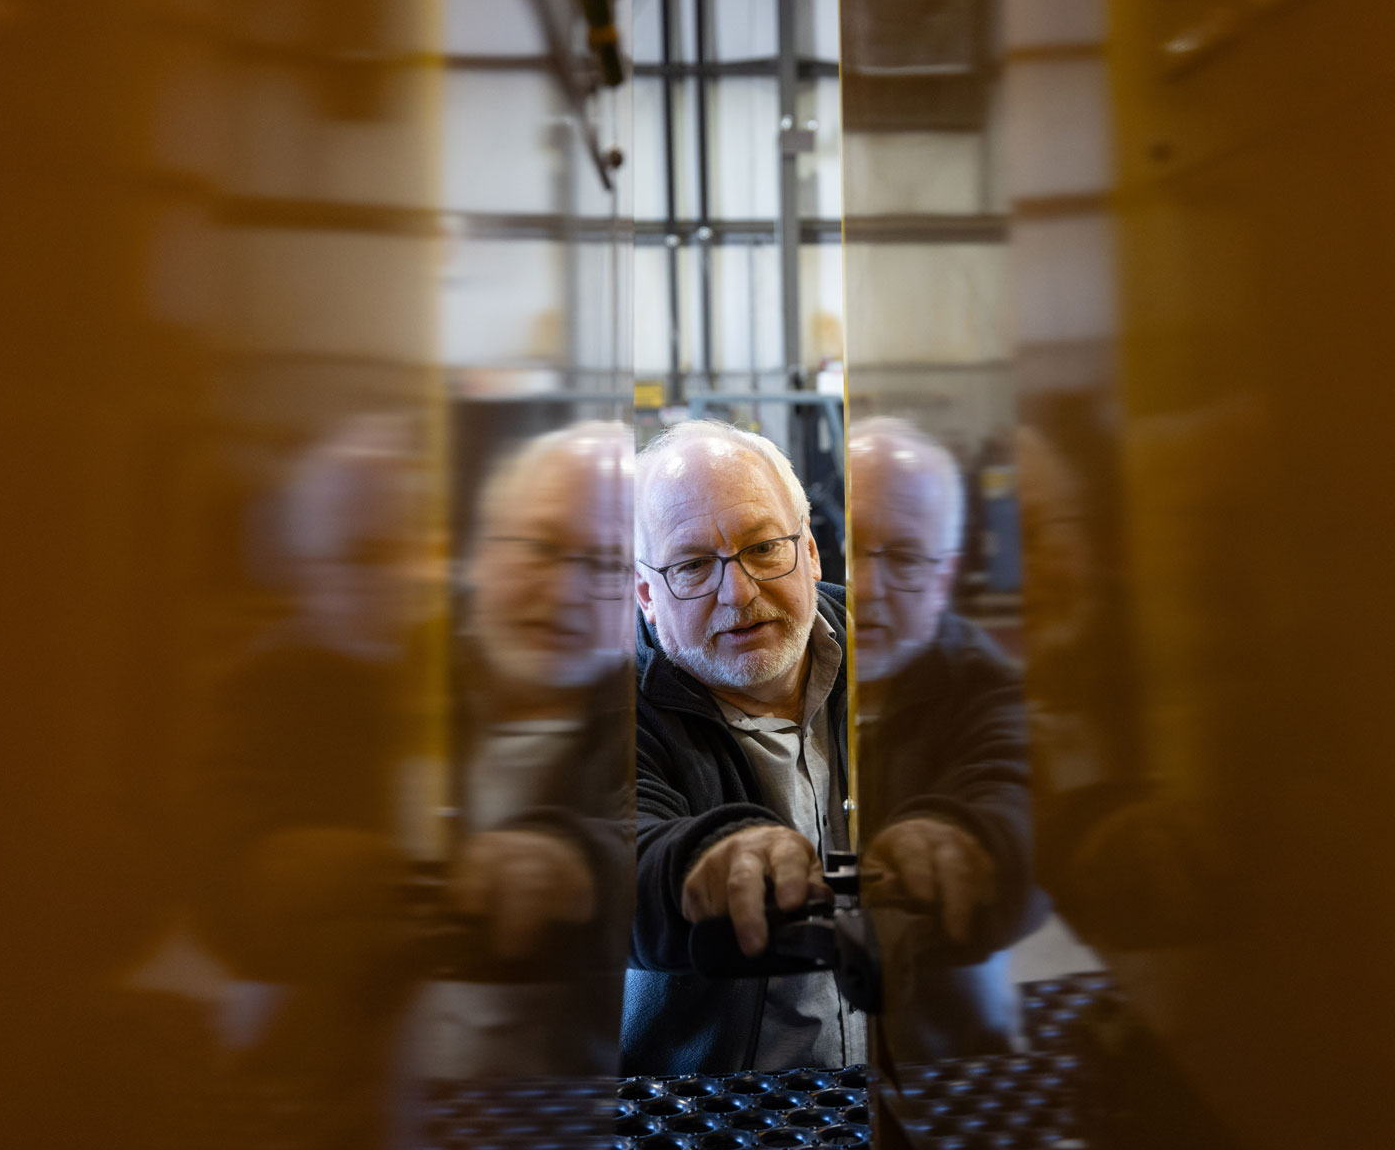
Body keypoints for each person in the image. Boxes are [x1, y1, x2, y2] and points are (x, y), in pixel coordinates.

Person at [619, 416, 1035, 1074]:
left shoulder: (927, 655)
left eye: (763, 548)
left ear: (811, 553)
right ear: (645, 593)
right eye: (693, 565)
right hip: (716, 1107)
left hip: (929, 1081)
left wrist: (974, 836)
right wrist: (699, 863)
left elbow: (1019, 773)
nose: (739, 592)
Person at [420, 421, 637, 1078]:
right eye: (542, 547)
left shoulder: (663, 713)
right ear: (479, 552)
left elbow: (667, 844)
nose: (565, 593)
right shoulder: (387, 690)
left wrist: (576, 867)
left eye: (606, 565)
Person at [846, 416, 1044, 1060]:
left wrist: (967, 841)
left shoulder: (985, 685)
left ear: (946, 577)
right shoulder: (753, 662)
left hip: (940, 1052)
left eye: (904, 558)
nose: (865, 587)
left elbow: (1019, 793)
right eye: (849, 544)